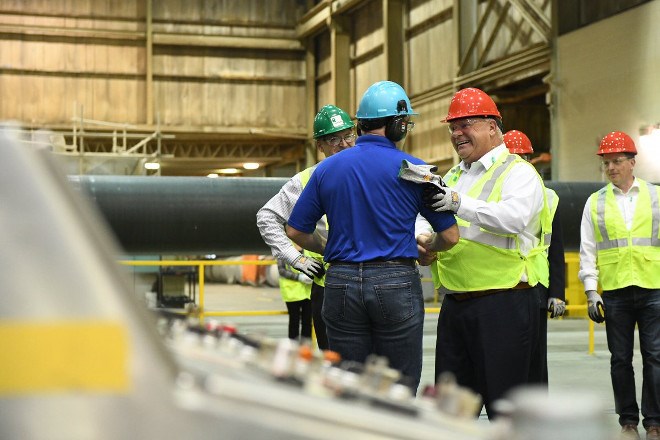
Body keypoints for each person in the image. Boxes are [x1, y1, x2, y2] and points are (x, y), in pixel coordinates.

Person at [285, 80, 459, 393]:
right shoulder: (417, 169)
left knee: (348, 383)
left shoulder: (326, 169)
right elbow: (450, 235)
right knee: (398, 386)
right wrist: (428, 247)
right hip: (395, 281)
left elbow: (296, 230)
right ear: (397, 125)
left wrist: (324, 247)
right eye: (406, 123)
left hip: (339, 284)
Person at [420, 88, 551, 419]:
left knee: (506, 411)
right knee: (451, 411)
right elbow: (426, 216)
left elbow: (514, 219)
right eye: (453, 127)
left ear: (493, 126)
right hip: (456, 305)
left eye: (466, 124)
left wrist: (460, 204)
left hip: (503, 304)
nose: (457, 133)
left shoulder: (518, 173)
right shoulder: (452, 177)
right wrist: (422, 238)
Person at [578, 131, 660, 440]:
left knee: (655, 357)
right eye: (607, 163)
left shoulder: (656, 196)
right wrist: (590, 291)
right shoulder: (595, 203)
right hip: (615, 292)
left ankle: (654, 423)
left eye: (617, 161)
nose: (611, 168)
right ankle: (628, 422)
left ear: (632, 163)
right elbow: (588, 250)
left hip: (654, 287)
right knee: (620, 359)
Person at [257, 104, 356, 350]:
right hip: (328, 287)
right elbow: (267, 217)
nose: (344, 144)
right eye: (334, 139)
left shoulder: (370, 170)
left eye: (348, 136)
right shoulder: (305, 180)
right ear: (319, 146)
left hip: (372, 283)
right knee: (334, 365)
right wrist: (295, 258)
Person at [503, 129, 566, 386]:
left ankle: (535, 416)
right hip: (501, 286)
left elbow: (556, 249)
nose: (520, 165)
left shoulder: (549, 197)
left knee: (535, 362)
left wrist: (557, 293)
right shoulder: (493, 196)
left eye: (524, 159)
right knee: (504, 359)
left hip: (536, 289)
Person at [277, 245, 313, 341]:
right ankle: (293, 349)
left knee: (307, 322)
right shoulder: (284, 249)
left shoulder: (308, 249)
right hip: (291, 293)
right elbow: (282, 270)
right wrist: (299, 277)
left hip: (307, 293)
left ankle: (306, 350)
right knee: (294, 321)